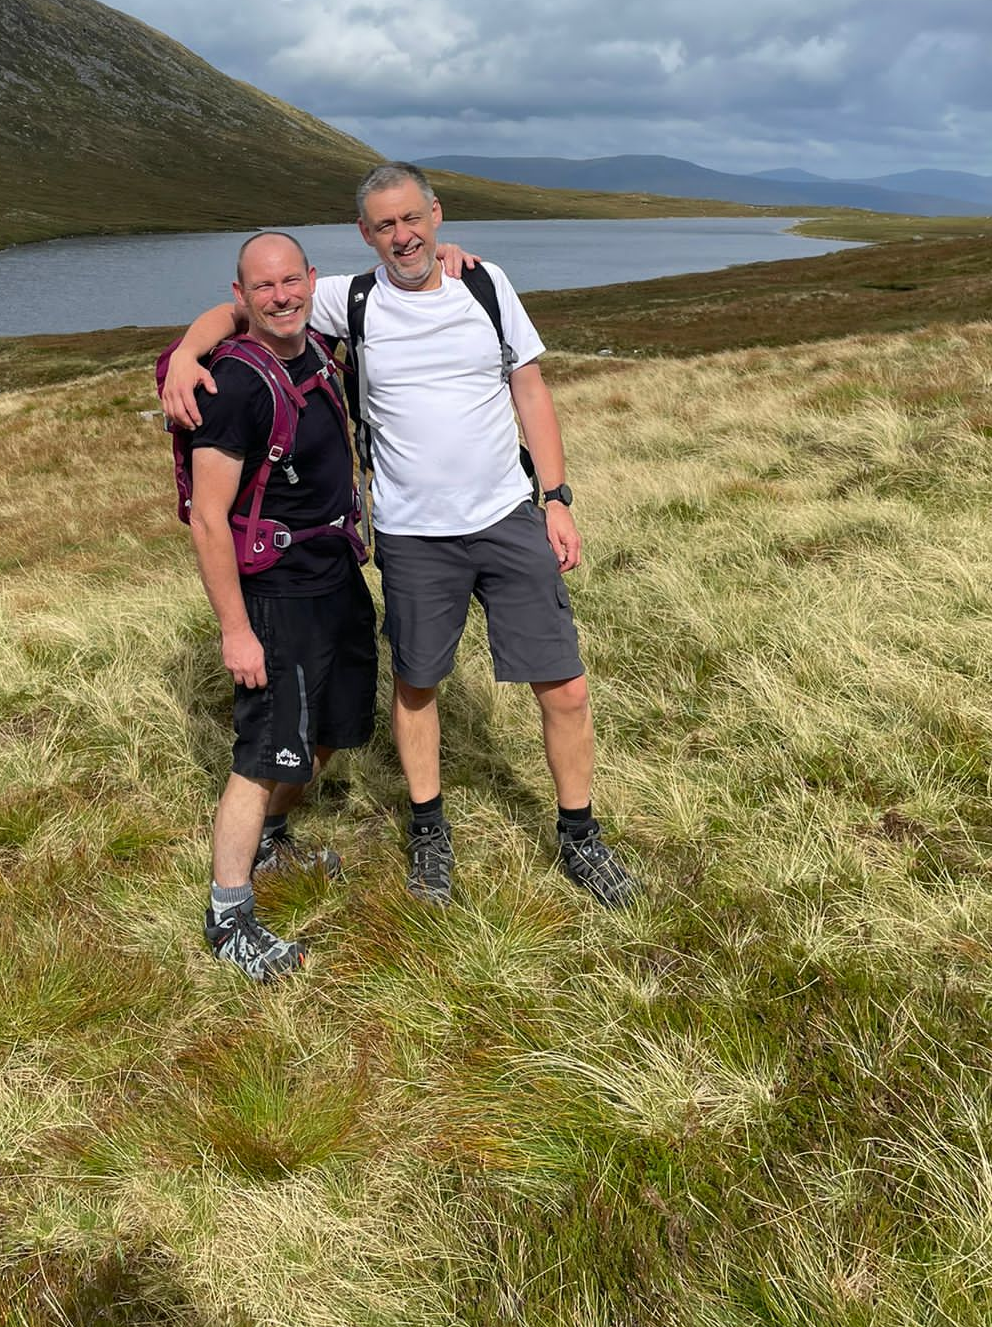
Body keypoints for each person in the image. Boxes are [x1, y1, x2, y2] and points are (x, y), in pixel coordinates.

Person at [164, 165, 638, 910]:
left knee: (566, 687)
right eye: (385, 226)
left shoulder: (485, 285)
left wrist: (556, 497)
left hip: (508, 515)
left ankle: (580, 836)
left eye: (413, 219)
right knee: (418, 684)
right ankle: (428, 832)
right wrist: (190, 355)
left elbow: (531, 388)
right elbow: (244, 310)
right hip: (413, 533)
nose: (403, 236)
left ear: (436, 216)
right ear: (365, 235)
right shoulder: (347, 297)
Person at [186, 230, 377, 981]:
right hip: (275, 596)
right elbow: (209, 519)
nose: (281, 296)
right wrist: (236, 631)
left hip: (337, 578)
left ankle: (271, 840)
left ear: (311, 279)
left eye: (291, 280)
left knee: (335, 725)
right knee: (263, 752)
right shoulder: (233, 387)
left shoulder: (322, 348)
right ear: (241, 297)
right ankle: (228, 915)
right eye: (262, 287)